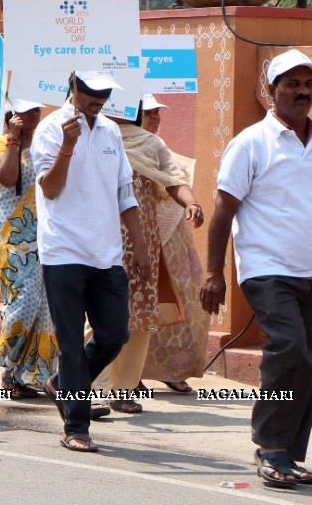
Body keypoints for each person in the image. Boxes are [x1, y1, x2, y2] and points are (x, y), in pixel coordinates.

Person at [202, 49, 312, 489]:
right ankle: (269, 445)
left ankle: (289, 454)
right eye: (292, 84)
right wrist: (214, 272)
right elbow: (223, 209)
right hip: (268, 270)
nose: (302, 92)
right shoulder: (250, 143)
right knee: (288, 347)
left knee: (309, 362)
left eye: (308, 84)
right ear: (271, 91)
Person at [32, 71, 149, 453]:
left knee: (115, 334)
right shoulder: (51, 129)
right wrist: (67, 146)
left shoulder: (112, 133)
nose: (97, 101)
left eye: (103, 95)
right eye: (90, 94)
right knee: (69, 343)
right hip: (63, 251)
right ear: (73, 88)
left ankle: (63, 384)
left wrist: (141, 246)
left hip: (106, 254)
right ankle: (76, 426)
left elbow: (124, 193)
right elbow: (50, 189)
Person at [94, 101, 204, 413]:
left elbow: (172, 179)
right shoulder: (98, 137)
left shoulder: (151, 143)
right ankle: (93, 386)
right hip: (103, 237)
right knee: (100, 310)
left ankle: (124, 389)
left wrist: (191, 203)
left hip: (143, 240)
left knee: (140, 313)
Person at [0, 99, 56, 396]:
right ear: (12, 115)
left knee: (45, 305)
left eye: (37, 110)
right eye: (27, 111)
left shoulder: (45, 143)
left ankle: (29, 377)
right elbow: (7, 177)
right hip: (10, 229)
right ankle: (9, 367)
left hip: (45, 230)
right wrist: (14, 140)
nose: (35, 114)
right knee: (23, 299)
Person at [138, 93, 206, 392]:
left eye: (157, 113)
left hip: (174, 242)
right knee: (140, 307)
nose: (154, 118)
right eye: (148, 112)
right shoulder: (121, 147)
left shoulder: (159, 148)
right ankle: (131, 374)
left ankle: (170, 368)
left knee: (183, 300)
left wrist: (190, 204)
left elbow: (174, 183)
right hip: (141, 240)